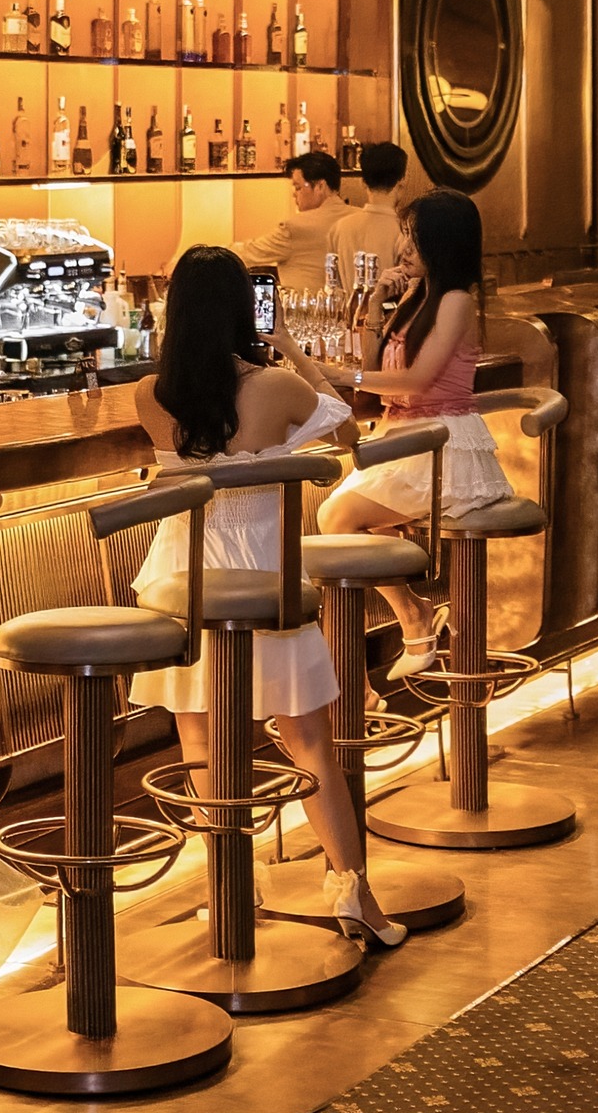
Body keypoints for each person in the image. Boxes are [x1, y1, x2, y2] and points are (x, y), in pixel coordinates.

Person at [128, 245, 403, 948]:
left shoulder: (151, 393)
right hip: (263, 573)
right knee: (308, 738)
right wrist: (288, 347)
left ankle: (231, 888)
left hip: (182, 575)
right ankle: (354, 895)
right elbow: (348, 429)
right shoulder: (276, 386)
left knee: (200, 736)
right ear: (241, 311)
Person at [317, 189, 514, 679]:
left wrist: (341, 375)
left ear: (442, 244)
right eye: (405, 235)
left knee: (336, 517)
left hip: (440, 442)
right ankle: (407, 622)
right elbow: (372, 370)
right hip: (403, 437)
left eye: (414, 237)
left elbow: (417, 381)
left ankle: (409, 619)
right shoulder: (416, 295)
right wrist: (375, 305)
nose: (403, 247)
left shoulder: (456, 301)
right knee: (343, 518)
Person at [237, 150, 352, 292]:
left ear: (320, 186)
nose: (294, 194)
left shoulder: (295, 227)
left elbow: (250, 253)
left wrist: (213, 252)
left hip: (307, 304)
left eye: (298, 187)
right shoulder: (358, 218)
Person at [330, 140, 409, 277]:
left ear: (363, 182)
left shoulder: (339, 228)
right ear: (402, 181)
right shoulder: (403, 232)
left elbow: (332, 281)